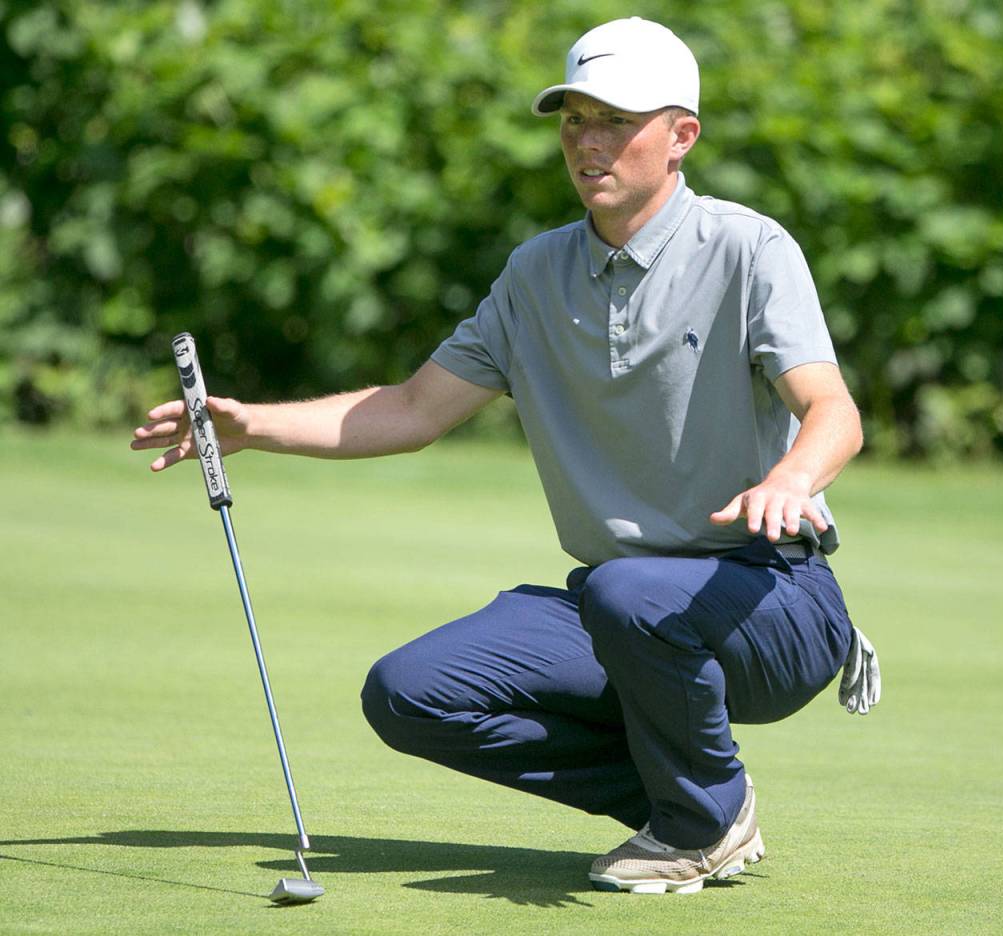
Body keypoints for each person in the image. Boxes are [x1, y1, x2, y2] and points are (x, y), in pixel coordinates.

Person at [132, 17, 880, 894]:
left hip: (770, 597)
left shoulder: (750, 248)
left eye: (615, 120)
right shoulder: (536, 274)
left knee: (625, 593)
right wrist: (250, 427)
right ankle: (702, 795)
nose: (588, 141)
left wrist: (792, 478)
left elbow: (833, 410)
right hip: (623, 607)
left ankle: (696, 821)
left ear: (682, 137)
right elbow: (411, 409)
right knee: (410, 691)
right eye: (573, 119)